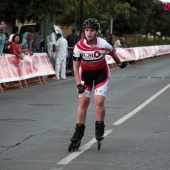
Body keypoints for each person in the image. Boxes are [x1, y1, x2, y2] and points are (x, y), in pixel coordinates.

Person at [68, 18, 126, 152]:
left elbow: (112, 53)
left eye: (92, 30)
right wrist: (78, 85)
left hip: (101, 73)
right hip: (85, 75)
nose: (89, 33)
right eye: (87, 30)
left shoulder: (103, 44)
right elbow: (75, 68)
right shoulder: (79, 46)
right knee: (83, 102)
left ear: (96, 32)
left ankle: (99, 128)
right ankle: (78, 133)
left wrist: (120, 63)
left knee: (98, 101)